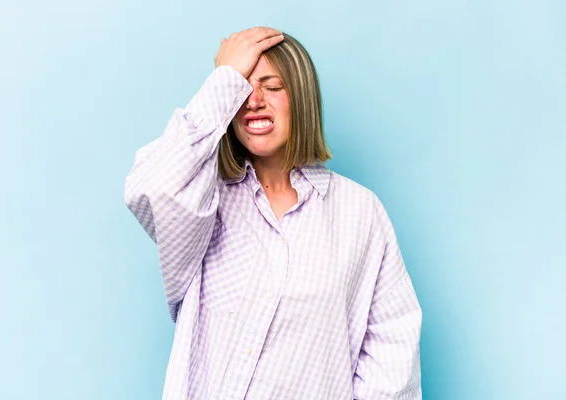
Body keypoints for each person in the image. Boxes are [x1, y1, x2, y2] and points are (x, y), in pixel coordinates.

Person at [124, 27, 422, 400]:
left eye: (273, 86)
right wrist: (222, 81)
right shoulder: (201, 199)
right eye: (242, 87)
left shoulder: (360, 213)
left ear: (300, 97)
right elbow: (151, 188)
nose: (253, 101)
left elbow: (391, 355)